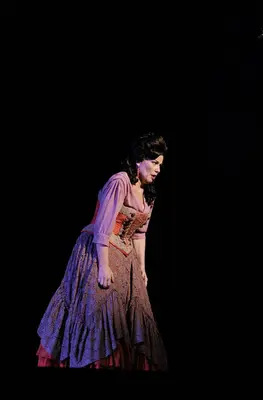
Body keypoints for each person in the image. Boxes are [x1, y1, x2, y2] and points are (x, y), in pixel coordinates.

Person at [35, 132, 169, 371]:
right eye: (155, 162)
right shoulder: (120, 181)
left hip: (126, 256)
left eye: (161, 164)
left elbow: (140, 235)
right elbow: (103, 229)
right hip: (100, 251)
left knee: (132, 319)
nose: (159, 169)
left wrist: (141, 269)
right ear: (140, 159)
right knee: (99, 312)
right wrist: (103, 266)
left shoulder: (149, 193)